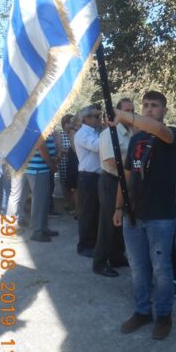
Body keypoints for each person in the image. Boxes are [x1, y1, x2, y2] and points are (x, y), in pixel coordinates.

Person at [113, 90, 176, 340]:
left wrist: (121, 115)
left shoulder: (171, 135)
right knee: (138, 267)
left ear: (164, 110)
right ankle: (142, 311)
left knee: (161, 270)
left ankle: (164, 316)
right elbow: (126, 177)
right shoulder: (135, 140)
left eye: (154, 105)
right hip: (133, 215)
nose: (149, 109)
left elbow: (157, 128)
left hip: (161, 216)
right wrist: (118, 207)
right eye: (145, 105)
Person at [94, 98, 134, 277]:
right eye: (126, 110)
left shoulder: (130, 132)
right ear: (118, 112)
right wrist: (132, 168)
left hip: (124, 181)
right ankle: (99, 263)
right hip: (111, 181)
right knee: (107, 223)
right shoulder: (109, 133)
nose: (130, 113)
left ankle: (116, 256)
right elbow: (110, 160)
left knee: (120, 222)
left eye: (132, 110)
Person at [74, 105, 102, 257]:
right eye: (96, 116)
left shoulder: (94, 132)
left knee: (95, 211)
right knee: (88, 212)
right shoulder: (82, 134)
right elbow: (98, 146)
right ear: (86, 118)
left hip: (95, 177)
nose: (99, 119)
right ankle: (84, 246)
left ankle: (93, 242)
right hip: (88, 177)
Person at [24, 134, 57, 242]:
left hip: (41, 169)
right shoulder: (39, 129)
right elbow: (41, 147)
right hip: (38, 169)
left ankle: (43, 228)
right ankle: (37, 231)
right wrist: (51, 164)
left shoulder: (43, 129)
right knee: (39, 202)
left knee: (44, 201)